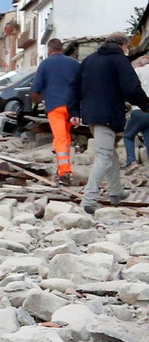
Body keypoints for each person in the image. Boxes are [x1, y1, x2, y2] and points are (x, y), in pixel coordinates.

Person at [68, 32, 149, 212]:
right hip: (108, 115)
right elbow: (132, 87)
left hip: (90, 115)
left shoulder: (89, 60)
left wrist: (73, 111)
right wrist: (145, 105)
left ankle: (116, 192)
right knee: (104, 156)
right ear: (123, 46)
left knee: (110, 154)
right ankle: (88, 200)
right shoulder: (120, 60)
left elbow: (74, 86)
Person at [30, 38, 80, 184]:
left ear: (49, 50)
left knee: (59, 138)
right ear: (62, 49)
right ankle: (64, 168)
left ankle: (64, 172)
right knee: (66, 137)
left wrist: (35, 103)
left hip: (55, 106)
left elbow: (35, 90)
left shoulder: (45, 64)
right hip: (71, 107)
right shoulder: (74, 64)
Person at [123, 57, 149, 167]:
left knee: (128, 136)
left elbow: (129, 87)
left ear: (140, 64)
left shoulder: (138, 71)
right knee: (148, 137)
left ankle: (131, 161)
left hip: (140, 109)